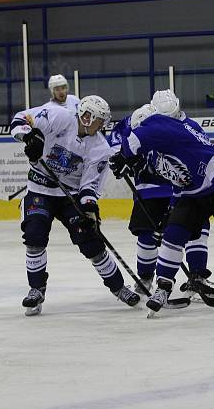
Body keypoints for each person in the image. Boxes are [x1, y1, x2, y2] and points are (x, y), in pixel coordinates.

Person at [108, 107, 214, 315]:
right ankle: (163, 287)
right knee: (173, 235)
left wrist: (122, 156)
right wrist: (169, 213)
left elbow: (138, 137)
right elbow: (177, 179)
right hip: (192, 194)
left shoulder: (159, 126)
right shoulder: (156, 152)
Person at [10, 95, 140, 316]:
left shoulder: (100, 147)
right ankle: (36, 290)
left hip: (70, 195)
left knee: (90, 242)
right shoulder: (59, 116)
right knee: (34, 235)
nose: (103, 126)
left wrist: (89, 208)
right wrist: (28, 137)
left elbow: (90, 185)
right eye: (100, 121)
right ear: (88, 117)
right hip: (40, 189)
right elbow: (21, 118)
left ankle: (119, 287)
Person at [106, 96, 214, 303]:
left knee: (195, 230)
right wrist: (124, 159)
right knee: (148, 233)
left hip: (182, 189)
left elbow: (204, 151)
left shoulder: (188, 125)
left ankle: (198, 275)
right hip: (149, 189)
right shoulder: (136, 119)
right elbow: (114, 145)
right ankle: (146, 278)